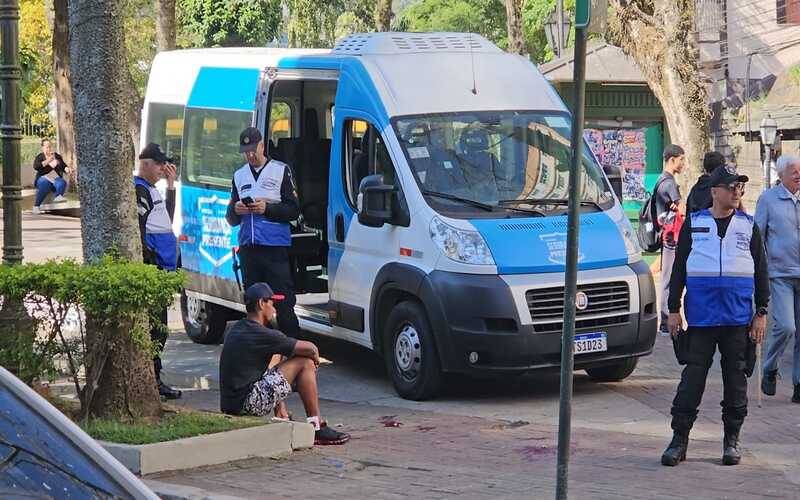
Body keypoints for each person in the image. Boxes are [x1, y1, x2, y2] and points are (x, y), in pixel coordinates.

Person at [662, 165, 769, 467]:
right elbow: (679, 268)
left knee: (735, 381)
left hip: (737, 319)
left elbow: (761, 271)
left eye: (740, 187)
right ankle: (679, 440)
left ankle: (731, 441)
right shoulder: (694, 224)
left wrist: (761, 311)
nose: (737, 191)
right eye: (731, 186)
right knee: (691, 381)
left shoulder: (749, 226)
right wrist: (673, 310)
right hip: (701, 318)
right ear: (714, 191)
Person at [219, 283, 350, 446]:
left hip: (232, 403)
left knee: (277, 352)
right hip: (247, 403)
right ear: (261, 304)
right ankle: (317, 428)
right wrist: (314, 361)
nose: (275, 309)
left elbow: (274, 362)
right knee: (305, 362)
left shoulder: (239, 328)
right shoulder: (261, 333)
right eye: (272, 303)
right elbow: (310, 348)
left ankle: (282, 414)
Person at [226, 127, 301, 337]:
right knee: (254, 307)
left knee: (282, 303)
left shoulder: (280, 170)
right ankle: (260, 354)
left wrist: (267, 208)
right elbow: (230, 218)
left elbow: (293, 209)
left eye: (253, 150)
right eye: (245, 151)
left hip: (274, 249)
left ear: (262, 146)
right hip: (249, 250)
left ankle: (293, 352)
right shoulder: (239, 176)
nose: (250, 155)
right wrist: (236, 209)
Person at [135, 142, 182, 400]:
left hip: (162, 268)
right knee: (156, 327)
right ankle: (152, 378)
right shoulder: (140, 190)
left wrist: (171, 187)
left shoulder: (152, 190)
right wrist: (149, 263)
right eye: (159, 165)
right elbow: (140, 229)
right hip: (153, 269)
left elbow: (165, 219)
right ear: (146, 164)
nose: (163, 169)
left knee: (160, 328)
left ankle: (155, 377)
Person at [755, 154, 800, 403]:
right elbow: (758, 236)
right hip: (780, 273)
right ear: (781, 175)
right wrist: (760, 269)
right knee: (786, 326)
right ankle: (770, 367)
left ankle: (799, 383)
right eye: (793, 171)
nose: (798, 174)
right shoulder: (768, 200)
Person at [656, 144, 686, 335]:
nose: (683, 163)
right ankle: (666, 321)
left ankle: (666, 321)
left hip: (668, 236)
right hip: (670, 238)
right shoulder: (668, 183)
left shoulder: (663, 180)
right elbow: (681, 208)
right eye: (682, 159)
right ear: (672, 159)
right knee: (669, 278)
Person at [32, 138, 70, 214]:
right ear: (42, 148)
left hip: (55, 179)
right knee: (45, 184)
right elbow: (36, 166)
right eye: (46, 147)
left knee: (62, 182)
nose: (48, 149)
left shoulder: (56, 156)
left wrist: (67, 169)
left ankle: (58, 196)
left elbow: (63, 165)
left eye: (50, 146)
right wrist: (48, 161)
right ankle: (36, 207)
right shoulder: (40, 157)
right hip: (43, 178)